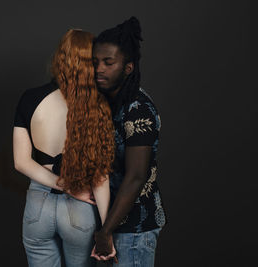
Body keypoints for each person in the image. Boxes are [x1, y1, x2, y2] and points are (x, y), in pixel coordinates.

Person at [13, 29, 116, 267]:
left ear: (60, 58)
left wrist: (63, 186)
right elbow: (100, 177)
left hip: (38, 207)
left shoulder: (30, 98)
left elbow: (21, 161)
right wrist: (106, 231)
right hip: (80, 209)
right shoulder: (98, 105)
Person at [90, 17, 167, 267]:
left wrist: (105, 232)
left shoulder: (139, 109)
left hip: (133, 228)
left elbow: (136, 176)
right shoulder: (109, 104)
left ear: (128, 67)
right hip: (110, 225)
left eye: (108, 62)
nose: (99, 68)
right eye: (96, 62)